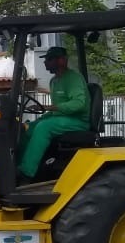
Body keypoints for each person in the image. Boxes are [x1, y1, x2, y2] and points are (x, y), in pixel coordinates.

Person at [16, 46, 89, 181]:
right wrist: (45, 109)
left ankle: (26, 173)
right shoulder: (53, 81)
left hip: (78, 121)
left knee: (44, 127)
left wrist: (49, 107)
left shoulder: (74, 79)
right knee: (26, 127)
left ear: (62, 60)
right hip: (61, 117)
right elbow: (57, 109)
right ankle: (17, 167)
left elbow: (79, 104)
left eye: (49, 59)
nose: (45, 63)